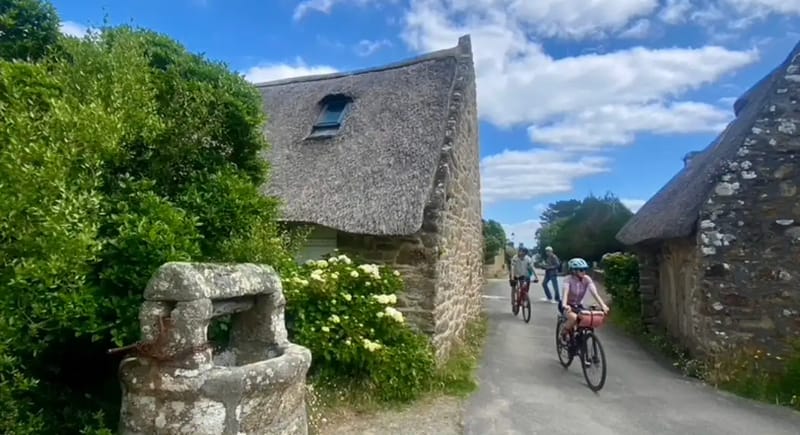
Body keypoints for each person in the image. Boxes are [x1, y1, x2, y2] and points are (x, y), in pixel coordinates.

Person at [559, 257, 609, 342]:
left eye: (585, 269)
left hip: (578, 305)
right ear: (574, 271)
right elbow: (565, 293)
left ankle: (578, 338)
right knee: (574, 318)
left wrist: (603, 305)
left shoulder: (587, 279)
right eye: (581, 270)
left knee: (586, 319)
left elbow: (595, 293)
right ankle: (563, 332)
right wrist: (565, 305)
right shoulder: (568, 279)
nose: (584, 272)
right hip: (567, 305)